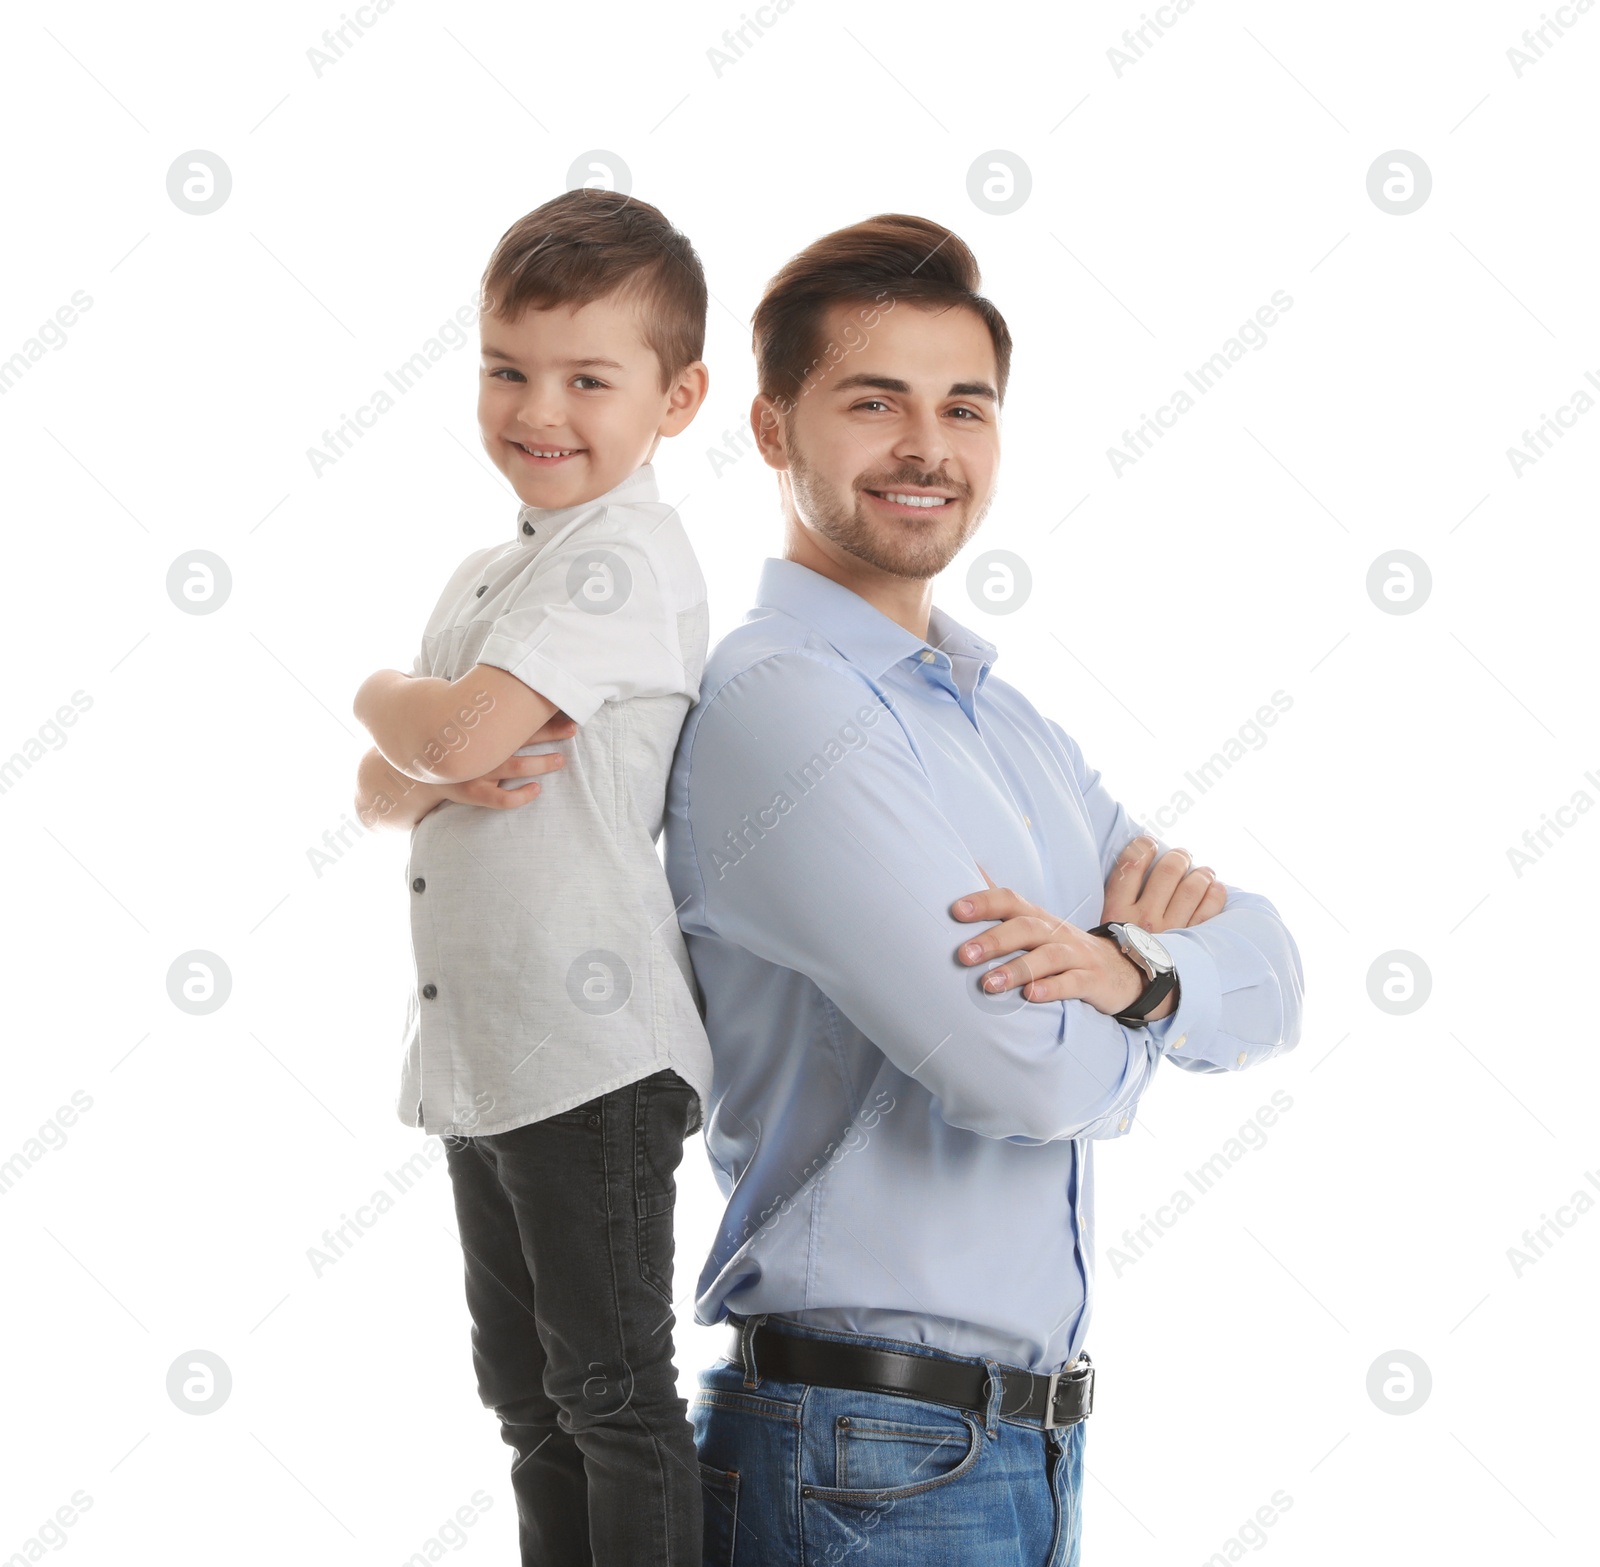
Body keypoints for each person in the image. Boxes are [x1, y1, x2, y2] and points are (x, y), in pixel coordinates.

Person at [662, 213, 1306, 1566]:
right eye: (875, 402)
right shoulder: (779, 708)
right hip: (860, 1454)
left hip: (1022, 1449)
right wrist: (1145, 1012)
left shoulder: (1014, 737)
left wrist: (1129, 970)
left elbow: (1277, 970)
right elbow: (1020, 1077)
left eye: (967, 407)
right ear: (773, 431)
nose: (928, 448)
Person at [350, 187, 714, 1567]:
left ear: (675, 400)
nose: (537, 409)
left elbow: (436, 740)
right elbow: (390, 793)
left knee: (615, 1404)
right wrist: (422, 755)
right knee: (532, 1406)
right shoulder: (496, 575)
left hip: (591, 1052)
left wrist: (378, 691)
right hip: (494, 1054)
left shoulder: (621, 561)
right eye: (508, 368)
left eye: (587, 378)